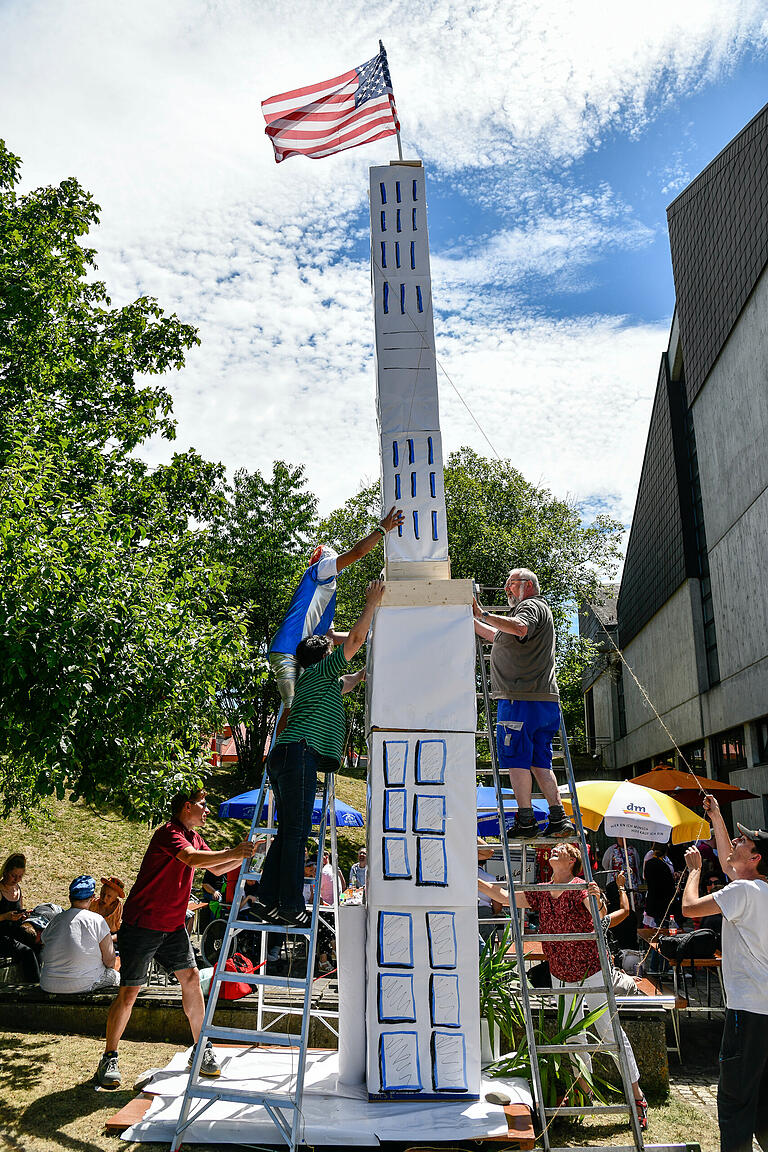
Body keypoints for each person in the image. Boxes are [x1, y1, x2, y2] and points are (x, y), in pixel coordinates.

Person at [94, 788, 257, 1090]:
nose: (207, 811)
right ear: (187, 807)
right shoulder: (168, 832)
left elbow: (215, 866)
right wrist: (236, 852)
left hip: (171, 926)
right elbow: (192, 859)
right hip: (142, 924)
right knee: (130, 993)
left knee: (192, 979)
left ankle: (201, 1048)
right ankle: (110, 1057)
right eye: (203, 806)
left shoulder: (194, 836)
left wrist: (246, 855)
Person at [478, 842, 647, 1129]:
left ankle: (637, 1097)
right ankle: (584, 1094)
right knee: (572, 1037)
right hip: (560, 971)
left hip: (591, 969)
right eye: (555, 848)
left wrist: (600, 900)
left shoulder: (581, 886)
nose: (555, 850)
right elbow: (504, 896)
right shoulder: (543, 891)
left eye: (562, 848)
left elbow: (598, 916)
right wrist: (473, 877)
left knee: (610, 1032)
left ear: (573, 860)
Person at [256, 580, 384, 928]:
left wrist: (367, 672)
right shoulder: (319, 669)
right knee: (297, 834)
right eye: (331, 653)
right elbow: (355, 641)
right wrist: (371, 602)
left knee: (287, 832)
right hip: (299, 754)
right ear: (324, 657)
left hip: (284, 756)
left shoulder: (317, 679)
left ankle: (266, 899)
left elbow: (349, 681)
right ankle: (291, 903)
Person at [682, 796, 768, 1152]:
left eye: (742, 841)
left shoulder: (743, 890)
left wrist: (694, 872)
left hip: (747, 1012)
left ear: (756, 858)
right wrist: (716, 816)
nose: (735, 841)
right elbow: (729, 862)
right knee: (761, 1102)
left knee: (733, 1101)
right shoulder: (758, 888)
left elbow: (689, 909)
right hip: (763, 1010)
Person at [473, 569, 574, 839]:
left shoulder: (530, 606)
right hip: (542, 702)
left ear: (527, 586)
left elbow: (518, 627)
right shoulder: (537, 612)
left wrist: (482, 613)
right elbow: (497, 635)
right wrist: (474, 618)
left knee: (516, 758)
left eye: (511, 585)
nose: (506, 590)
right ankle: (558, 818)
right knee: (541, 762)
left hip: (520, 699)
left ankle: (526, 821)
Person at [268, 508, 403, 712]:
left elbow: (330, 636)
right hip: (288, 649)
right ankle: (284, 745)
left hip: (300, 653)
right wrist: (382, 529)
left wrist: (369, 636)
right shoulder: (319, 572)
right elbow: (357, 553)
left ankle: (289, 743)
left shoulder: (327, 595)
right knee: (293, 708)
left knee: (305, 703)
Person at [40, 875, 119, 994]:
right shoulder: (97, 920)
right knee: (116, 976)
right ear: (92, 897)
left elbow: (44, 941)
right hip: (82, 984)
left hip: (48, 984)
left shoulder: (56, 920)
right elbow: (110, 962)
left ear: (69, 897)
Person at [0, 853, 41, 982]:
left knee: (38, 944)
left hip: (15, 932)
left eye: (20, 876)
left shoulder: (17, 889)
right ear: (6, 872)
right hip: (2, 935)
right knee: (27, 952)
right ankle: (34, 985)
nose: (16, 879)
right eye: (14, 876)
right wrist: (5, 916)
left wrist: (23, 916)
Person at [642, 843, 676, 928]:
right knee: (662, 927)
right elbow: (669, 886)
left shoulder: (649, 863)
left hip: (652, 899)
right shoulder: (663, 866)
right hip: (662, 903)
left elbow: (645, 877)